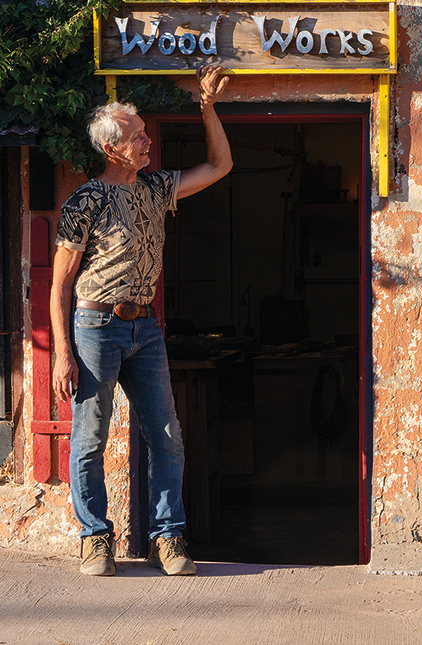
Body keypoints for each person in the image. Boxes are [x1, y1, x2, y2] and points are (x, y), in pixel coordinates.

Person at [50, 64, 232, 577]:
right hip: (94, 328)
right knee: (90, 437)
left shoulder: (155, 189)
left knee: (166, 434)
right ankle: (95, 539)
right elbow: (59, 283)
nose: (148, 141)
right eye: (137, 136)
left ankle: (167, 539)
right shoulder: (84, 201)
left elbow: (219, 166)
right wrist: (63, 351)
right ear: (113, 149)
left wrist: (207, 107)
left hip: (145, 329)